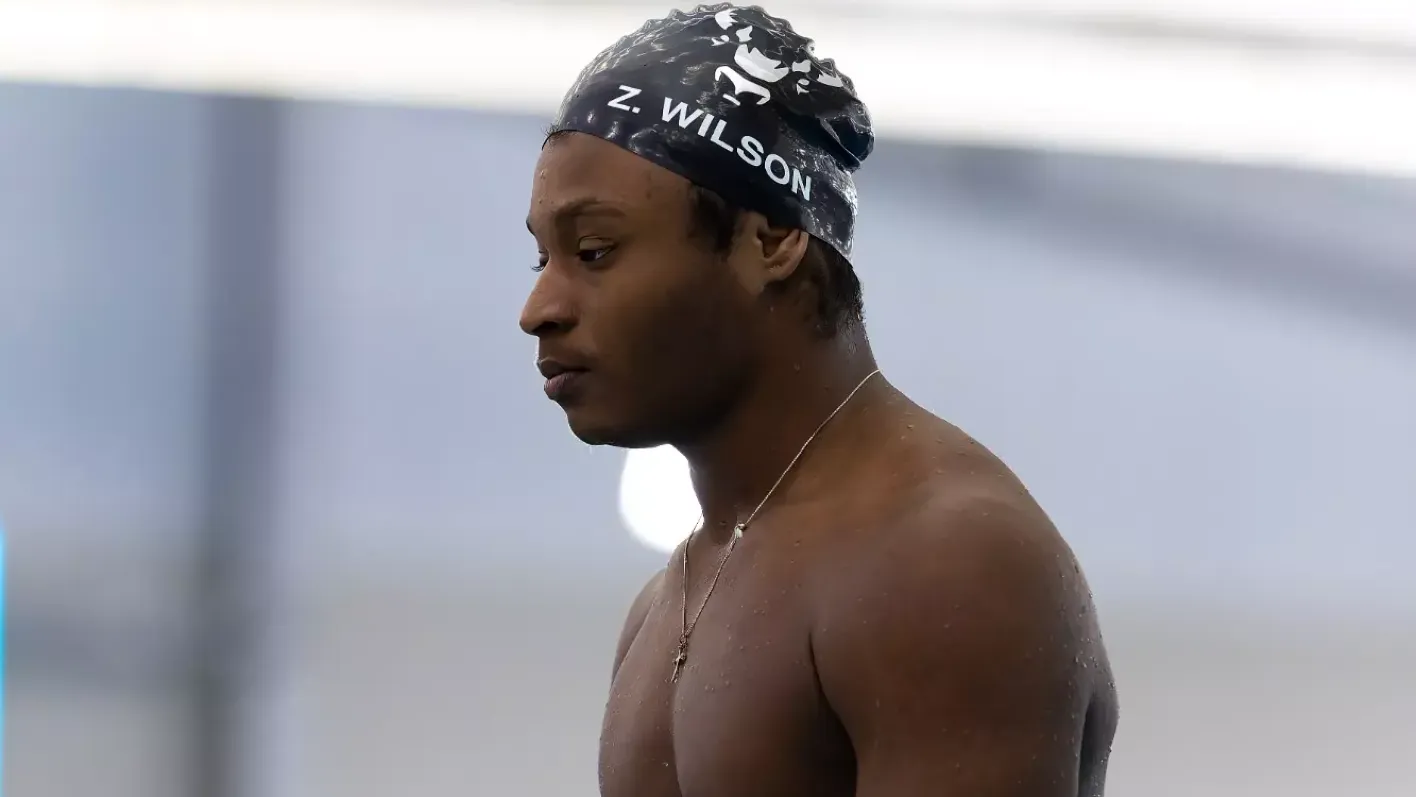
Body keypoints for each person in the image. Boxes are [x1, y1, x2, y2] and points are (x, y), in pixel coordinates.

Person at [519, 5, 1118, 796]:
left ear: (770, 240)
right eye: (541, 257)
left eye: (595, 251)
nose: (539, 308)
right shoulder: (670, 597)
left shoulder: (942, 558)